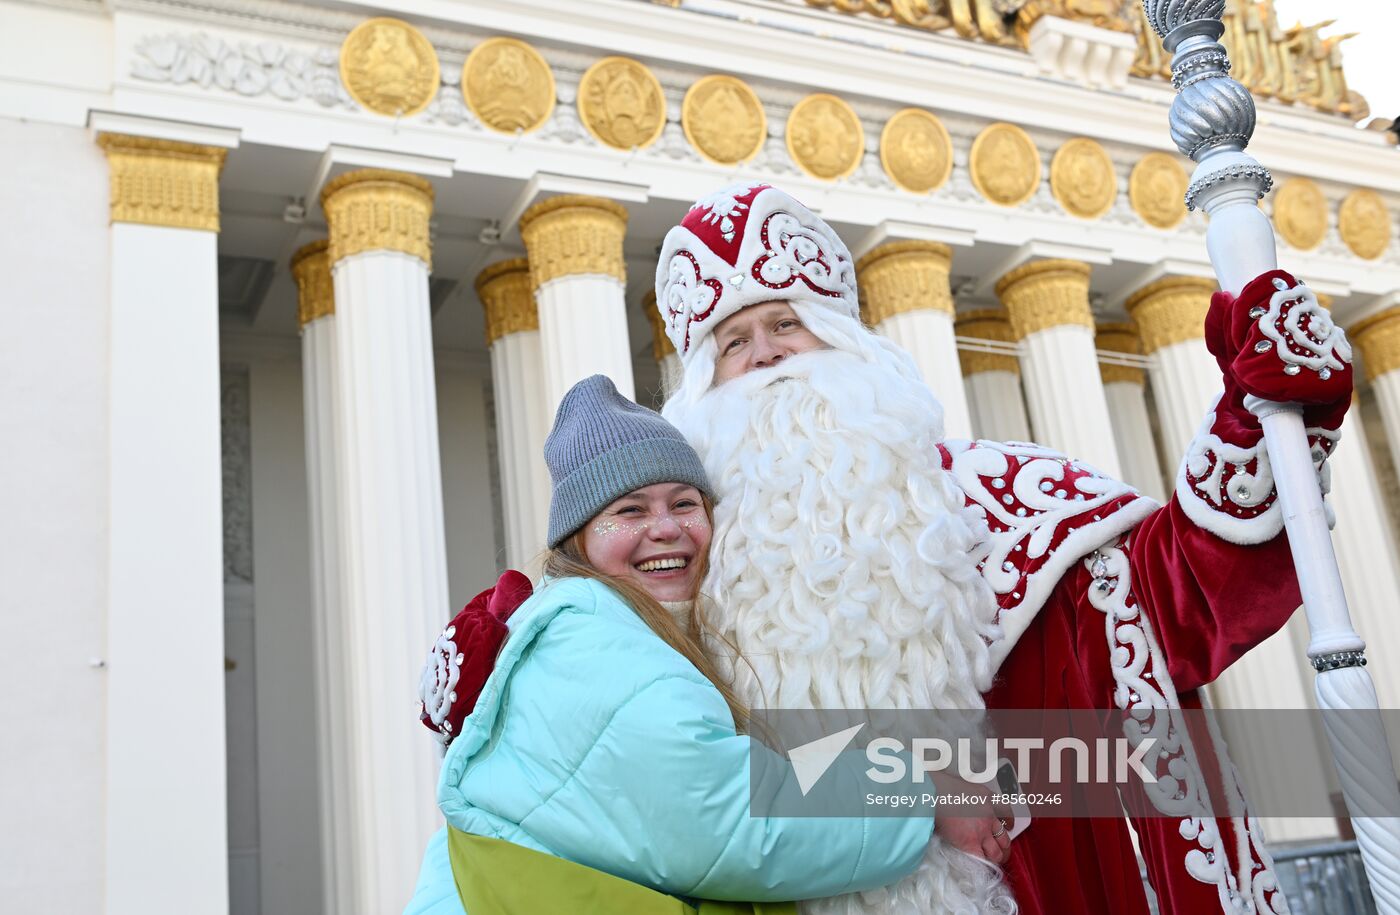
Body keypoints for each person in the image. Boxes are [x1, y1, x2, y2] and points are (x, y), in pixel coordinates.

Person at [652, 183, 1354, 915]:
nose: (766, 355)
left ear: (843, 340)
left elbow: (1180, 595)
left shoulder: (997, 496)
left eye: (786, 323)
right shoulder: (690, 578)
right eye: (734, 341)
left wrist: (1254, 418)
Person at [404, 374, 1008, 914]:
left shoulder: (603, 632)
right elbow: (733, 822)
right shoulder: (596, 648)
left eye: (685, 503)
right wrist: (925, 793)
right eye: (629, 509)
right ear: (578, 540)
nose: (665, 527)